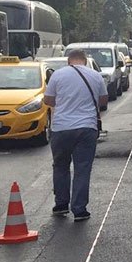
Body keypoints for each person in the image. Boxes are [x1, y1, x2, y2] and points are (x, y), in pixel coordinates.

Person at [43, 49, 109, 222]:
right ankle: (79, 210)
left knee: (60, 166)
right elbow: (103, 101)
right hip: (87, 128)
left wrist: (64, 101)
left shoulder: (57, 75)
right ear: (85, 60)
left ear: (69, 61)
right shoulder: (95, 76)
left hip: (61, 128)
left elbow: (48, 100)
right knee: (82, 168)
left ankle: (61, 205)